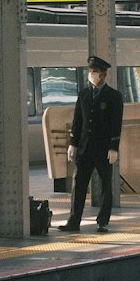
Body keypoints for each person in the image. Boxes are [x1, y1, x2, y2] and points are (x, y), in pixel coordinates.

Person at [57, 54, 124, 233]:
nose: (92, 74)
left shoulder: (114, 97)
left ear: (103, 75)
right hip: (85, 149)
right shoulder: (84, 94)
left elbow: (116, 124)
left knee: (105, 186)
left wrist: (113, 148)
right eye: (90, 71)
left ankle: (102, 221)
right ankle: (74, 221)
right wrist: (73, 143)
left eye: (95, 72)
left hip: (103, 150)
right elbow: (77, 121)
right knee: (78, 185)